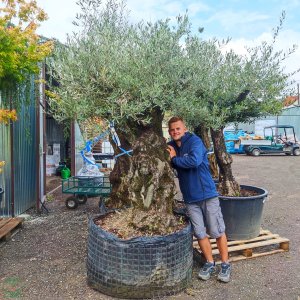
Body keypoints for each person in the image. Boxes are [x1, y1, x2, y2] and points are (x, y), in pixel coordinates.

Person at [167, 116, 231, 283]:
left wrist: (174, 159)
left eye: (178, 129)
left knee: (217, 230)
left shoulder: (194, 141)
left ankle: (225, 264)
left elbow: (194, 161)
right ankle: (210, 262)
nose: (175, 132)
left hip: (206, 194)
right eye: (172, 130)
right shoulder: (171, 145)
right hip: (189, 197)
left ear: (184, 128)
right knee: (200, 233)